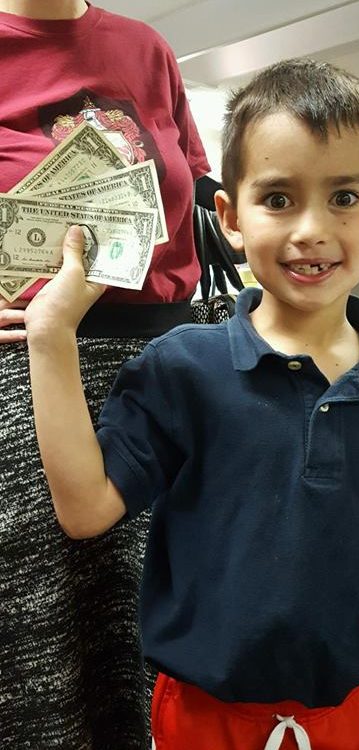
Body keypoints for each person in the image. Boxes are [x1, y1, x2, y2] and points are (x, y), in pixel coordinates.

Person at [25, 58, 359, 750]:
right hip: (208, 716)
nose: (310, 229)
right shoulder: (181, 369)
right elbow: (86, 510)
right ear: (231, 218)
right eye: (278, 199)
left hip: (354, 707)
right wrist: (50, 337)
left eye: (345, 198)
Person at [0, 1, 209, 747]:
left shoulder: (145, 48)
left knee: (170, 633)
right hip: (24, 386)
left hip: (169, 372)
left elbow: (203, 207)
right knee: (44, 652)